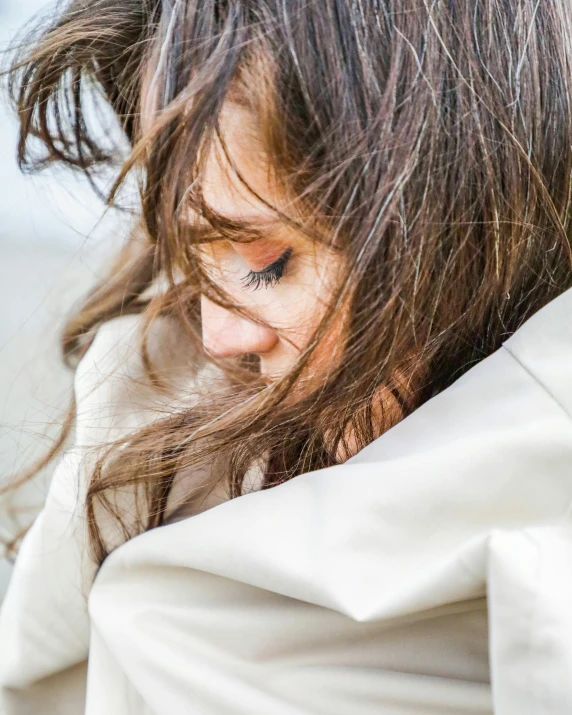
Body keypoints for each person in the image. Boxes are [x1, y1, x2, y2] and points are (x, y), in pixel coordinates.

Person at [2, 0, 572, 712]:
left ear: (469, 216)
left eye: (268, 262)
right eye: (190, 259)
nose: (217, 336)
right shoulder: (148, 437)